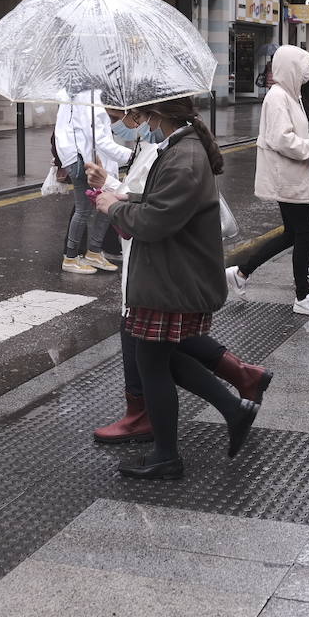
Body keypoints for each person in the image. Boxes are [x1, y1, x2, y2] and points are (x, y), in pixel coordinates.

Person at [95, 96, 260, 479]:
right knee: (158, 359)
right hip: (168, 271)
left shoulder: (184, 156)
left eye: (144, 113)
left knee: (152, 362)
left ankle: (168, 456)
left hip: (171, 274)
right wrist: (125, 196)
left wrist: (112, 208)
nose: (139, 121)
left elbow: (156, 221)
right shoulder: (179, 148)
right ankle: (231, 411)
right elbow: (162, 202)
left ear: (158, 115)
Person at [225, 45, 309, 317]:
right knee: (304, 235)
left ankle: (240, 272)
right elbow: (282, 139)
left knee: (291, 233)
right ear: (289, 68)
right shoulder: (277, 97)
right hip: (287, 177)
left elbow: (296, 132)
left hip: (294, 175)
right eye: (302, 67)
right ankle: (302, 295)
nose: (307, 73)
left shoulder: (290, 95)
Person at [55, 90, 132, 275]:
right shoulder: (89, 98)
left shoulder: (74, 95)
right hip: (83, 159)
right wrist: (132, 156)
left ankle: (94, 252)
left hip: (82, 157)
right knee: (83, 209)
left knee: (107, 204)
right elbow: (99, 140)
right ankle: (71, 257)